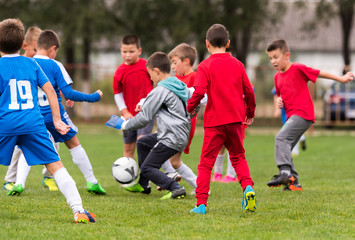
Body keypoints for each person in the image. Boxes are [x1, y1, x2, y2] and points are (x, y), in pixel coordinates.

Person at [0, 18, 96, 223]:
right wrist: (56, 119)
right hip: (33, 124)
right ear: (22, 45)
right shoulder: (32, 63)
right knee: (56, 166)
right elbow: (51, 90)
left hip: (6, 124)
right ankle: (78, 210)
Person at [8, 29, 106, 196]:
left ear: (37, 46)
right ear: (53, 49)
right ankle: (92, 181)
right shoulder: (55, 65)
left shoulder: (27, 63)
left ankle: (19, 183)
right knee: (74, 144)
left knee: (28, 147)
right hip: (55, 115)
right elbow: (68, 93)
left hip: (33, 115)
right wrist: (94, 97)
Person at [266, 39, 354, 190]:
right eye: (270, 58)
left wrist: (341, 78)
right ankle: (294, 184)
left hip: (303, 114)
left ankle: (285, 172)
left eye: (276, 57)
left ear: (287, 55)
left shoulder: (298, 68)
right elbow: (280, 96)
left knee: (280, 138)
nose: (273, 61)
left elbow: (320, 73)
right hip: (292, 116)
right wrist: (279, 103)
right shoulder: (277, 77)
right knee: (285, 148)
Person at [187, 24, 256, 214]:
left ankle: (201, 204)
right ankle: (248, 188)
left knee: (206, 163)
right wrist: (250, 112)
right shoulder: (238, 64)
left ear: (207, 44)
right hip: (235, 120)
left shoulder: (204, 66)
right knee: (238, 157)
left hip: (214, 123)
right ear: (228, 43)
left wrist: (190, 107)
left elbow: (199, 91)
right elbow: (249, 91)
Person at [106, 52, 190, 200]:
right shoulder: (179, 84)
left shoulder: (160, 89)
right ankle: (144, 185)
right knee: (143, 142)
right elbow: (191, 106)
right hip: (179, 134)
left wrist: (124, 125)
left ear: (156, 71)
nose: (150, 78)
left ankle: (175, 188)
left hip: (171, 137)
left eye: (150, 74)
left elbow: (145, 118)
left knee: (147, 167)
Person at [2, 26, 45, 191]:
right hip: (20, 116)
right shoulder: (22, 64)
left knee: (52, 144)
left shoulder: (36, 64)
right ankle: (11, 180)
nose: (38, 52)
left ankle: (48, 176)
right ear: (24, 45)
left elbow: (49, 87)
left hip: (34, 115)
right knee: (17, 150)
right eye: (35, 49)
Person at [112, 34, 154, 160]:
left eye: (131, 51)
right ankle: (128, 178)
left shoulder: (147, 67)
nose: (128, 55)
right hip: (129, 117)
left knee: (143, 142)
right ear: (121, 51)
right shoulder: (119, 71)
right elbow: (117, 93)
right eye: (124, 51)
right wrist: (124, 112)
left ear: (139, 51)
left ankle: (146, 176)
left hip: (146, 113)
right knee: (128, 147)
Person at [272, 87, 306, 158]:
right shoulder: (278, 79)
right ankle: (302, 137)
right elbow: (276, 95)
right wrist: (277, 110)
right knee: (290, 128)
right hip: (285, 110)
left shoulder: (296, 80)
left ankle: (295, 151)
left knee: (291, 129)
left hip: (295, 108)